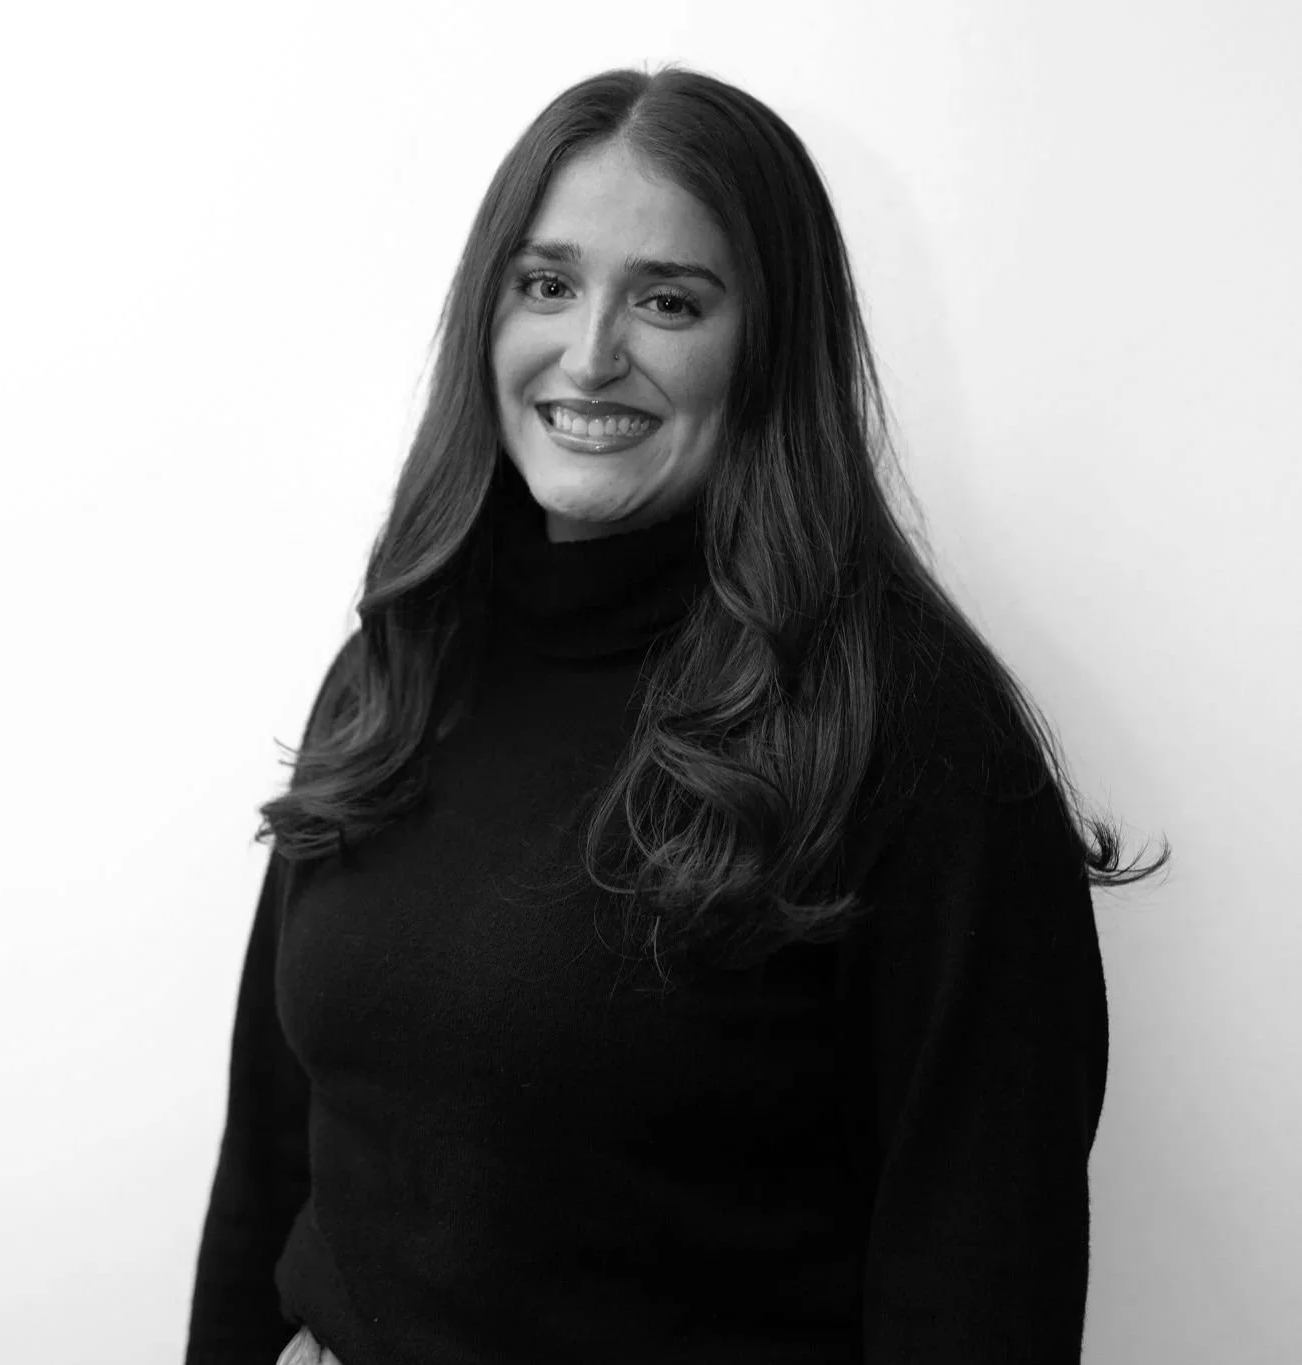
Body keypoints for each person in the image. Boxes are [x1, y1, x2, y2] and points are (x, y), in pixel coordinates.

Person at [184, 64, 1170, 1365]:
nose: (590, 353)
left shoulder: (909, 740)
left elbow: (981, 1284)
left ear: (768, 343)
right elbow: (271, 1140)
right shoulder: (400, 664)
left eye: (668, 300)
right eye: (546, 283)